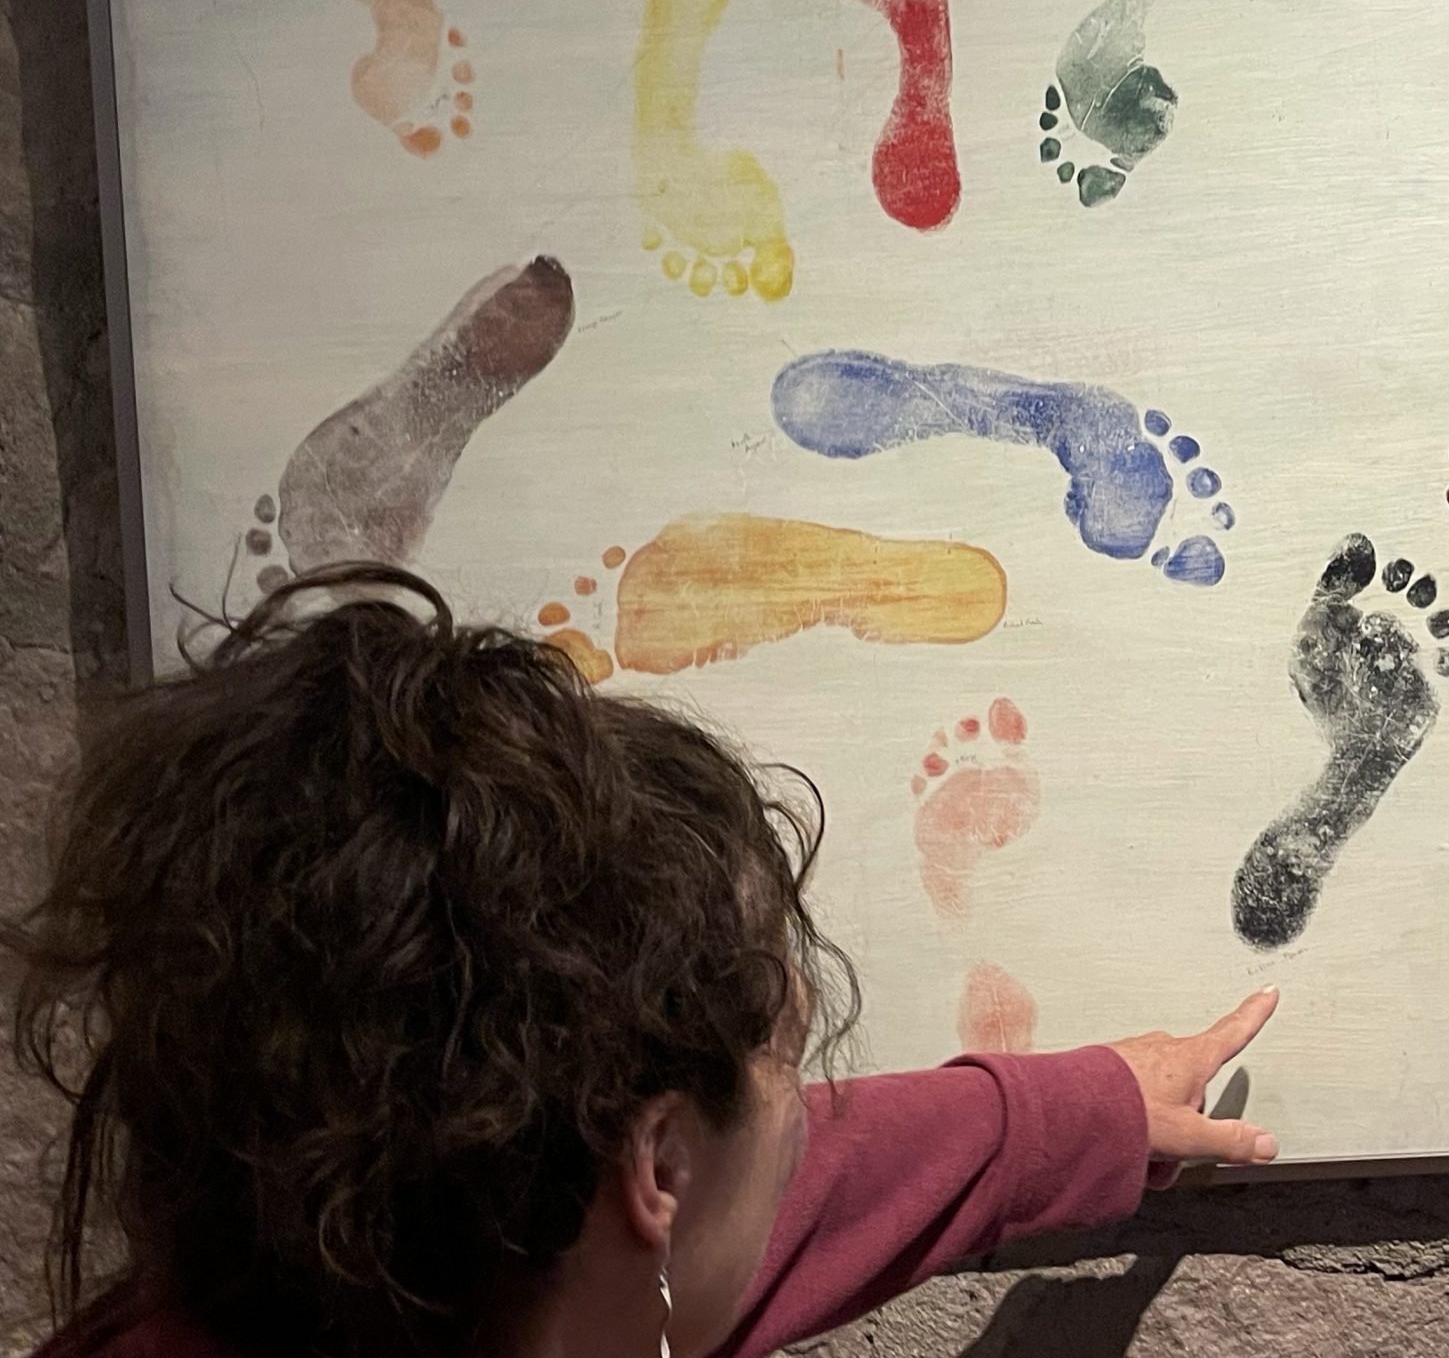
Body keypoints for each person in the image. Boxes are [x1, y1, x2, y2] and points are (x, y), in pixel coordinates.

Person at [4, 566, 1279, 1357]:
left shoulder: (382, 1268)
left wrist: (1084, 1110)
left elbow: (817, 1187)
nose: (804, 1127)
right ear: (657, 1168)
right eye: (785, 1063)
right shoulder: (600, 1272)